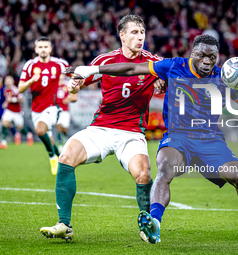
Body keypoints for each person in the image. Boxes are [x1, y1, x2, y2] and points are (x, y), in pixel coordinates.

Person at [68, 34, 238, 244]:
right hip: (178, 137)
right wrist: (93, 69)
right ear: (192, 52)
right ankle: (154, 223)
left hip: (210, 139)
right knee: (165, 169)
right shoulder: (174, 66)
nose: (206, 61)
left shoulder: (224, 78)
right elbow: (131, 67)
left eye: (212, 57)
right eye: (202, 55)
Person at [40, 14, 163, 241]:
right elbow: (77, 84)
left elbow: (164, 81)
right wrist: (74, 85)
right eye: (134, 32)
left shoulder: (152, 62)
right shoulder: (105, 60)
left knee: (143, 174)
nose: (140, 37)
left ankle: (146, 227)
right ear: (122, 35)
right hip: (101, 128)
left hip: (132, 134)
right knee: (66, 156)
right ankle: (64, 225)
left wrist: (160, 80)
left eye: (142, 32)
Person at [18, 36, 69, 175]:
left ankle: (52, 158)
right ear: (36, 49)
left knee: (40, 130)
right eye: (40, 47)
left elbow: (74, 75)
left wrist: (74, 88)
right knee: (49, 140)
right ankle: (61, 159)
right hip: (36, 110)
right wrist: (30, 81)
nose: (43, 49)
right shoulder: (30, 65)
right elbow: (20, 88)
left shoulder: (60, 64)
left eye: (46, 47)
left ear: (50, 48)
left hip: (52, 107)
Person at [0, 76, 33, 149]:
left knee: (20, 126)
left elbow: (22, 99)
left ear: (12, 81)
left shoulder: (16, 89)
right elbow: (7, 99)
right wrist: (6, 103)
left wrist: (12, 99)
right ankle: (3, 142)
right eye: (6, 81)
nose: (7, 82)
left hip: (16, 111)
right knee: (4, 122)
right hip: (9, 110)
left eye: (9, 80)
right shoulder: (5, 90)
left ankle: (28, 135)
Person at [55, 74, 78, 153]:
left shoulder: (66, 85)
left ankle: (64, 138)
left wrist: (67, 99)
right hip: (57, 109)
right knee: (58, 126)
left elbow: (72, 95)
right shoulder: (54, 85)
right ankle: (60, 144)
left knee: (64, 129)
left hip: (65, 110)